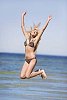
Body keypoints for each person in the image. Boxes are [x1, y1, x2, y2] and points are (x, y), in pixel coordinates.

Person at [20, 12, 52, 79]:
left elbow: (43, 29)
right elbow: (22, 26)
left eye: (36, 32)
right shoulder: (26, 37)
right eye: (34, 31)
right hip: (26, 60)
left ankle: (41, 71)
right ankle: (38, 71)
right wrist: (22, 16)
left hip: (32, 59)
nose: (35, 32)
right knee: (22, 76)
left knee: (28, 76)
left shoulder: (35, 40)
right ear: (31, 32)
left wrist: (48, 20)